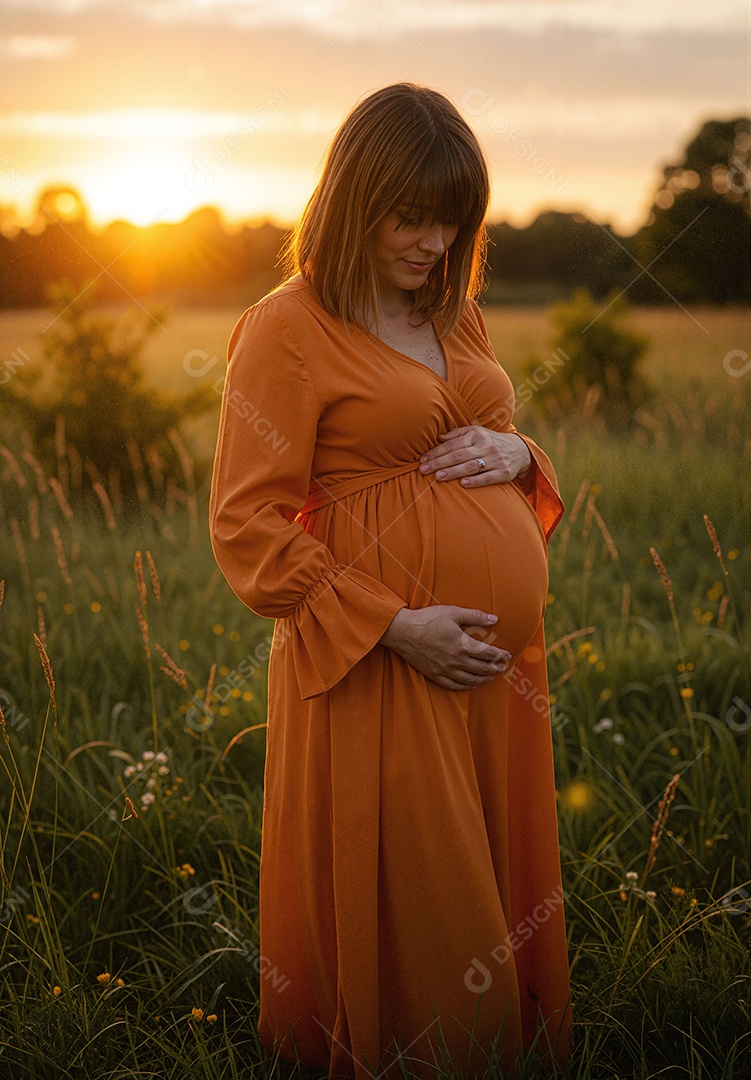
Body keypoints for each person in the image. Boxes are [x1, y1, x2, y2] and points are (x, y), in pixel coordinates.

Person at [209, 82, 572, 1080]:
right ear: (355, 201)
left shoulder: (454, 314)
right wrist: (393, 626)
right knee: (430, 917)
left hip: (495, 669)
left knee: (493, 888)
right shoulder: (287, 327)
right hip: (381, 660)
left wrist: (519, 456)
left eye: (452, 219)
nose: (431, 241)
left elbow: (487, 438)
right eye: (409, 217)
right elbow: (244, 521)